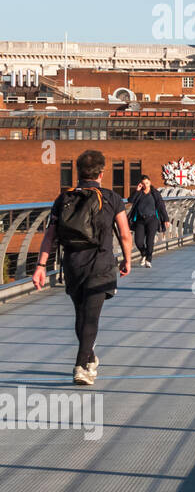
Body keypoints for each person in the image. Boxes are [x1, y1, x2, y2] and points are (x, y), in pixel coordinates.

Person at [31, 149, 131, 385]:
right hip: (101, 264)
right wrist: (127, 259)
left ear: (78, 172)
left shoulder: (63, 199)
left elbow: (50, 235)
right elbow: (125, 234)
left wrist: (41, 265)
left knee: (81, 315)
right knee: (91, 317)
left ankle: (89, 358)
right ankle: (81, 365)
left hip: (73, 264)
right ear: (102, 173)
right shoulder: (111, 198)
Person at [127, 175, 170, 267]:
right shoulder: (139, 193)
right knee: (138, 241)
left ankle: (148, 259)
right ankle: (144, 253)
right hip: (140, 220)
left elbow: (161, 206)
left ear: (150, 182)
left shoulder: (155, 193)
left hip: (152, 219)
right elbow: (130, 200)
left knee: (150, 241)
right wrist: (137, 190)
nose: (145, 185)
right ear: (141, 184)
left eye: (147, 183)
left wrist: (166, 219)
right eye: (143, 183)